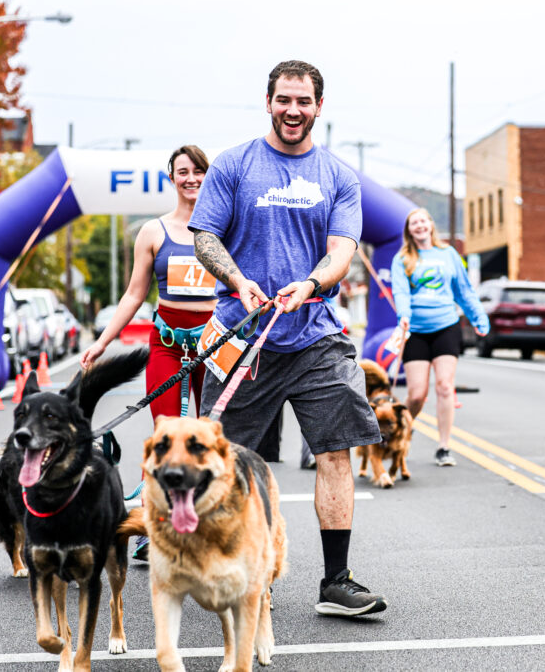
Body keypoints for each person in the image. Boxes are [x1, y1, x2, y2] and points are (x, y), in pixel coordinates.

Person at [189, 60, 387, 618]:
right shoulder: (234, 165)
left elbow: (343, 250)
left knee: (336, 451)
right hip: (244, 336)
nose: (293, 110)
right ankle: (247, 574)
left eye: (303, 101)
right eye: (284, 100)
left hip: (316, 334)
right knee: (229, 461)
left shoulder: (338, 176)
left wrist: (311, 282)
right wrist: (237, 280)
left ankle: (336, 581)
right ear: (269, 101)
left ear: (319, 106)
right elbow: (204, 237)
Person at [80, 145, 217, 561]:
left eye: (198, 171)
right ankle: (151, 527)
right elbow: (134, 294)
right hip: (169, 346)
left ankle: (207, 522)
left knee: (212, 436)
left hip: (215, 345)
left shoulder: (225, 228)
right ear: (171, 178)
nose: (191, 178)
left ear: (207, 176)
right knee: (166, 437)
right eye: (182, 172)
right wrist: (103, 341)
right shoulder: (153, 232)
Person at [390, 208, 489, 466]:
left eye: (423, 221)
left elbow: (464, 290)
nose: (420, 226)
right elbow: (400, 292)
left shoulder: (448, 254)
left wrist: (479, 317)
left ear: (431, 225)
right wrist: (404, 314)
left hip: (446, 326)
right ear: (409, 230)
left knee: (445, 386)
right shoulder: (402, 258)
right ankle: (404, 428)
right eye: (414, 223)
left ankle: (444, 447)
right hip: (416, 332)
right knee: (416, 394)